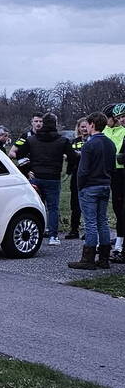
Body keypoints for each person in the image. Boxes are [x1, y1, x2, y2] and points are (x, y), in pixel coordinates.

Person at [9, 112, 73, 245]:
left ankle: (36, 232)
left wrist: (27, 170)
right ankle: (53, 236)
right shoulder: (63, 140)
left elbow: (18, 155)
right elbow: (72, 157)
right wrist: (69, 170)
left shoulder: (31, 140)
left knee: (36, 205)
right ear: (55, 124)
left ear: (43, 123)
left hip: (35, 176)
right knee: (53, 207)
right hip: (53, 178)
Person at [69, 112, 116, 270]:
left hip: (90, 186)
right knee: (102, 221)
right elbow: (112, 167)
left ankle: (88, 258)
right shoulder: (110, 144)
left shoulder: (89, 144)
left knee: (90, 223)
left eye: (88, 125)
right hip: (105, 185)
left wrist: (80, 186)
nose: (86, 127)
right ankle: (104, 258)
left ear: (92, 125)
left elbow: (83, 170)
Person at [101, 103, 125, 262]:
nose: (122, 120)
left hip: (121, 170)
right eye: (119, 118)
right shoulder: (105, 130)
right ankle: (119, 241)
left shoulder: (122, 130)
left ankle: (121, 245)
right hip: (113, 172)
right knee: (118, 207)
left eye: (123, 117)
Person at [65, 117, 88, 239]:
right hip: (76, 175)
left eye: (86, 126)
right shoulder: (74, 142)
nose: (84, 129)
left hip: (89, 177)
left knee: (88, 203)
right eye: (82, 127)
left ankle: (89, 230)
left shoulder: (92, 139)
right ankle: (74, 229)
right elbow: (70, 158)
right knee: (75, 204)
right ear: (78, 128)